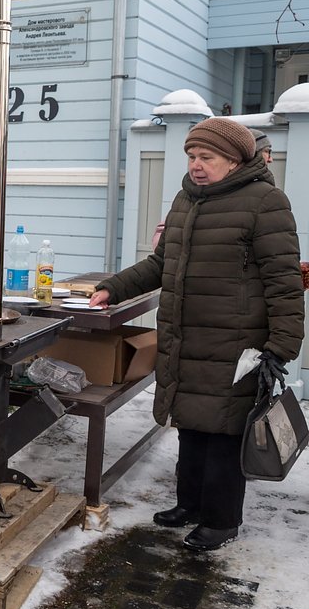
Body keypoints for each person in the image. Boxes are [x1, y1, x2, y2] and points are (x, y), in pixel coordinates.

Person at [89, 117, 303, 551]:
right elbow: (159, 264)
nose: (196, 166)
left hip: (236, 343)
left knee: (224, 432)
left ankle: (221, 521)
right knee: (190, 425)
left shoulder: (266, 202)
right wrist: (114, 287)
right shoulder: (186, 200)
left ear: (234, 160)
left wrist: (280, 348)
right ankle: (189, 503)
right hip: (186, 338)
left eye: (207, 157)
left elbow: (284, 281)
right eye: (191, 157)